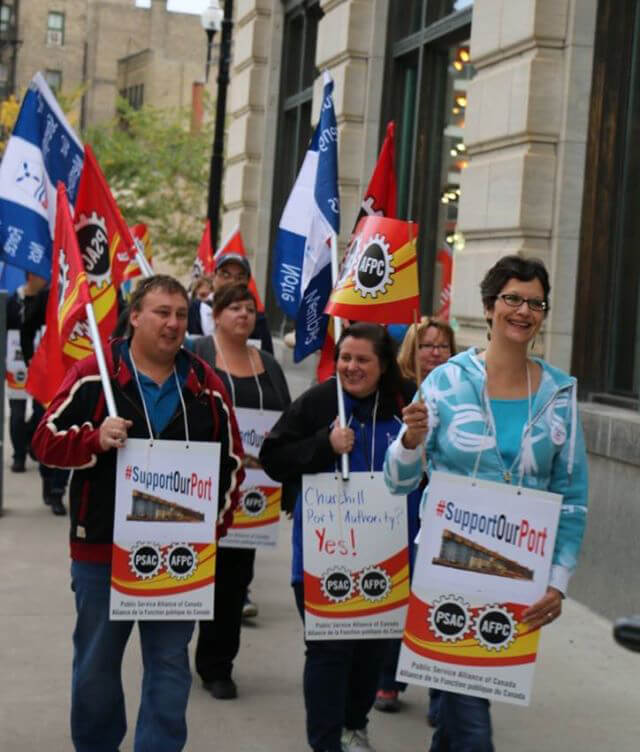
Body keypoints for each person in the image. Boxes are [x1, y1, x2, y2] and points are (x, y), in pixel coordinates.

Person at [31, 275, 245, 752]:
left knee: (169, 666)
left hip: (179, 559)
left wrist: (210, 533)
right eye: (162, 312)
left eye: (181, 314)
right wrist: (94, 439)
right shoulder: (95, 374)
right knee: (96, 667)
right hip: (102, 553)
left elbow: (231, 464)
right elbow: (43, 440)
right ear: (135, 317)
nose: (173, 324)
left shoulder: (205, 385)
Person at [384, 255, 589, 752]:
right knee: (471, 719)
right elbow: (398, 482)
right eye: (512, 298)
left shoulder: (559, 394)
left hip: (519, 570)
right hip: (448, 564)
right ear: (488, 306)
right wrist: (410, 441)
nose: (524, 311)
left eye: (535, 303)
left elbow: (573, 496)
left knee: (464, 707)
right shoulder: (445, 383)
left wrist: (558, 583)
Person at [260, 322, 416, 752]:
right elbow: (274, 458)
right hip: (321, 556)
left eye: (362, 359)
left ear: (383, 365)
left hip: (386, 556)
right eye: (345, 358)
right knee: (328, 652)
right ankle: (326, 742)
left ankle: (353, 725)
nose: (351, 367)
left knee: (371, 652)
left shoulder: (405, 402)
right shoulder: (319, 401)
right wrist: (324, 444)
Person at [188, 283, 291, 700]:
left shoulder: (268, 364)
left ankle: (217, 665)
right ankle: (170, 654)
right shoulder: (195, 353)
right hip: (198, 487)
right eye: (234, 308)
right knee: (189, 574)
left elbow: (285, 422)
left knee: (232, 583)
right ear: (216, 314)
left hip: (249, 498)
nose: (244, 315)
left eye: (249, 309)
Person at [374, 316, 456, 717]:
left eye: (443, 346)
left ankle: (443, 696)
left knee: (444, 597)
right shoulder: (397, 391)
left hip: (447, 506)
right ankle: (389, 678)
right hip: (404, 502)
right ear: (412, 349)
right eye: (427, 345)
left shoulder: (462, 394)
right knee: (401, 591)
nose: (435, 353)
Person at [188, 253, 273, 355]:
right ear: (214, 277)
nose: (232, 281)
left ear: (247, 282)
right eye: (225, 275)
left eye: (239, 277)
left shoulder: (257, 320)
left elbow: (266, 358)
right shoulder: (191, 310)